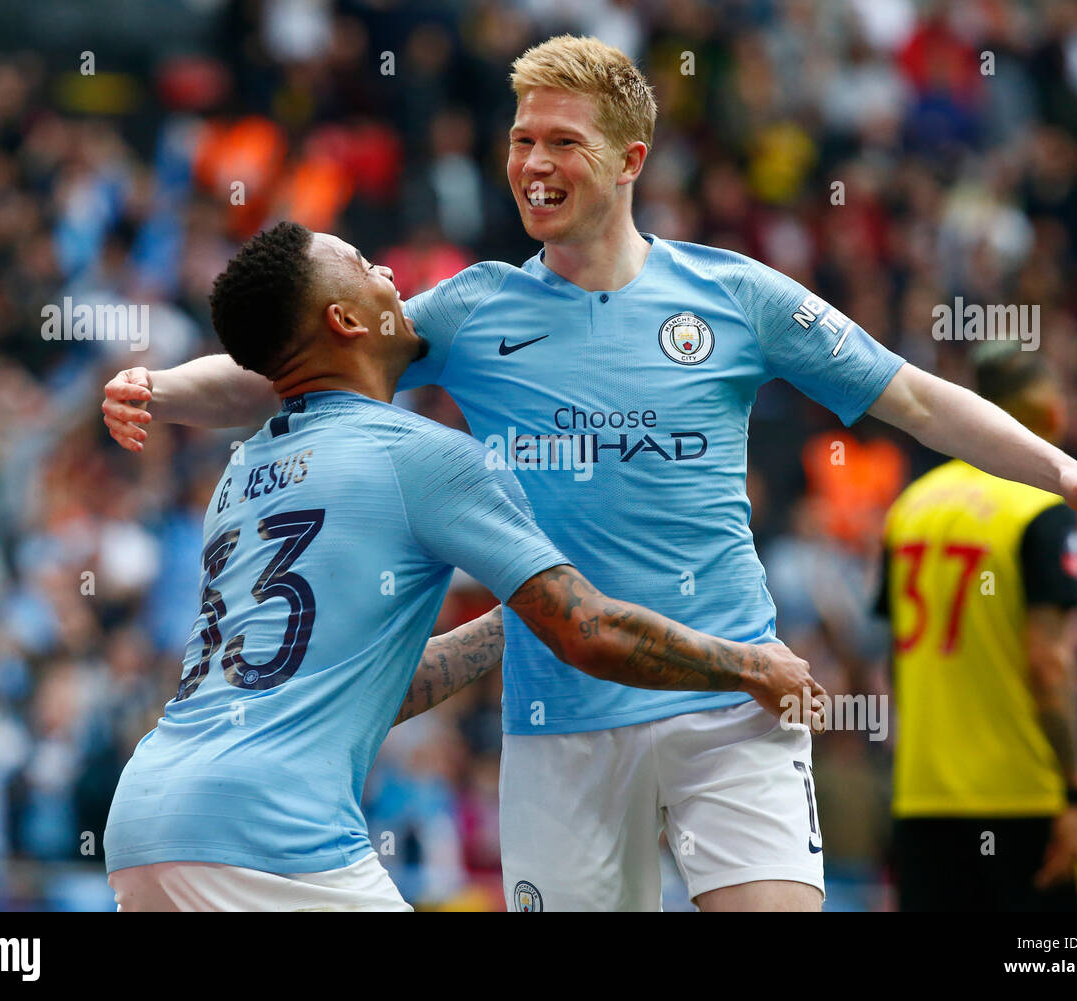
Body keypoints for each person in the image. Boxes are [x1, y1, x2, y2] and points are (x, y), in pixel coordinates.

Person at [102, 36, 1077, 912]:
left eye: (562, 142)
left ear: (629, 156)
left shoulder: (734, 294)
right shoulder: (472, 309)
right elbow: (293, 367)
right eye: (521, 141)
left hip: (730, 694)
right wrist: (163, 387)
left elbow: (910, 394)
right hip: (560, 721)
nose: (533, 164)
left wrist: (1060, 469)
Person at [103, 222, 826, 911]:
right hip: (271, 830)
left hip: (147, 821)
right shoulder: (424, 457)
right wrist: (751, 667)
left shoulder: (242, 471)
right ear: (347, 322)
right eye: (363, 265)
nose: (388, 273)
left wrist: (506, 625)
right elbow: (588, 632)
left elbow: (367, 685)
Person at [880, 345, 1077, 911]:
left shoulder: (909, 507)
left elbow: (895, 662)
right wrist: (1076, 793)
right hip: (1023, 798)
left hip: (925, 800)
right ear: (1045, 413)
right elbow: (1048, 664)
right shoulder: (1039, 507)